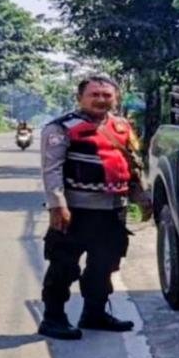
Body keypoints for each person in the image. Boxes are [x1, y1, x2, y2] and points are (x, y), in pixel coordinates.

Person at [38, 75, 152, 340]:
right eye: (94, 95)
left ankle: (94, 313)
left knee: (104, 265)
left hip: (112, 211)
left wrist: (142, 199)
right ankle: (53, 318)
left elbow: (132, 167)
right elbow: (51, 170)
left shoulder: (122, 126)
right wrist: (58, 206)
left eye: (107, 95)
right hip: (75, 212)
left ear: (115, 98)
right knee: (63, 266)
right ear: (80, 98)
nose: (101, 100)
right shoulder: (60, 128)